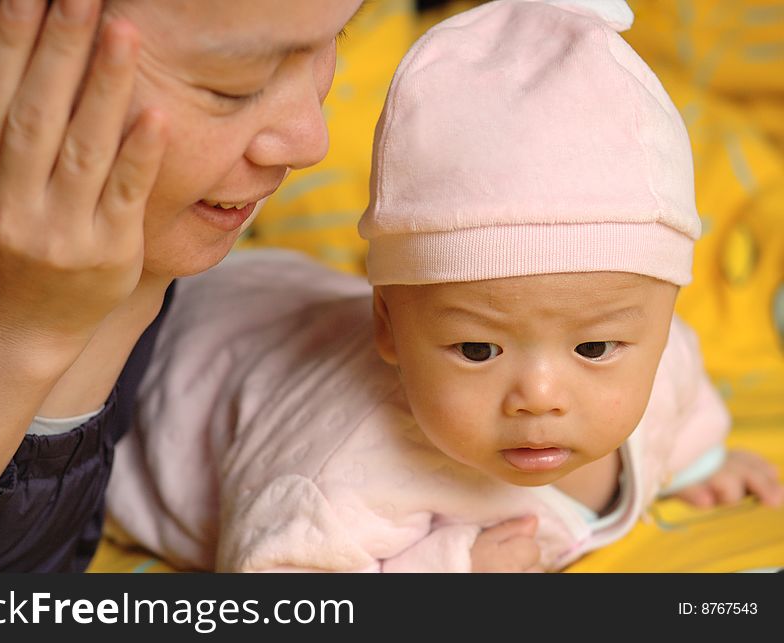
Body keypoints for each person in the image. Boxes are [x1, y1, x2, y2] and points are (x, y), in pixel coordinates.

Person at [106, 0, 784, 572]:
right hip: (180, 339)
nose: (539, 396)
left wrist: (702, 461)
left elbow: (680, 397)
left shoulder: (660, 358)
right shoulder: (337, 478)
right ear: (388, 326)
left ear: (663, 321)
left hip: (283, 293)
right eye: (479, 349)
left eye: (596, 348)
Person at [0, 0, 366, 572]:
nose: (308, 141)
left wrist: (118, 302)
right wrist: (9, 334)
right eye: (235, 83)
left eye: (332, 36)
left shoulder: (115, 227)